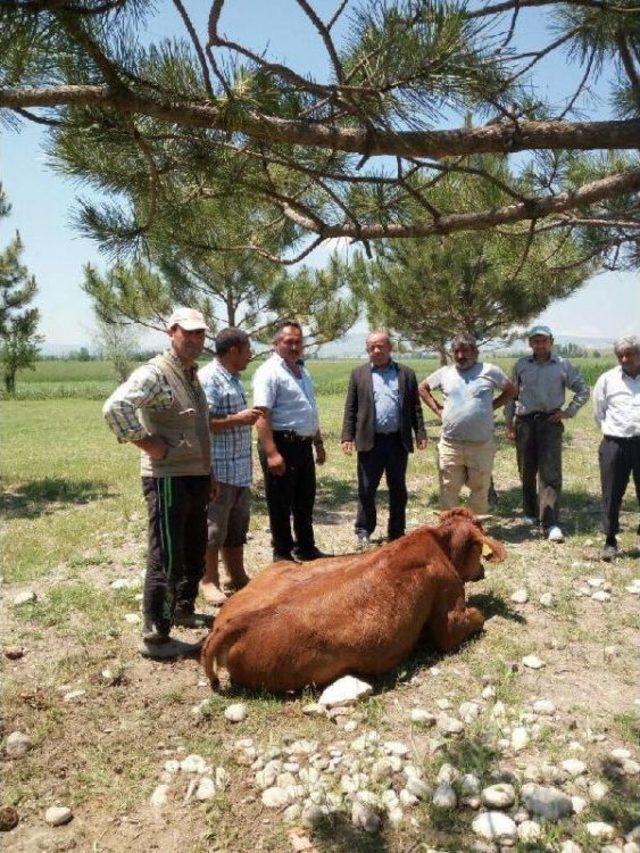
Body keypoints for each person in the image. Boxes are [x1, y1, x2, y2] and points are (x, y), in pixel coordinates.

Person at [103, 307, 217, 659]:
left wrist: (208, 472)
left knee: (195, 546)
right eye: (189, 333)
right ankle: (156, 636)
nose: (195, 340)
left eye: (200, 334)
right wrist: (147, 442)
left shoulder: (190, 373)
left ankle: (182, 608)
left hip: (194, 475)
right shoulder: (156, 372)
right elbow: (115, 407)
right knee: (166, 555)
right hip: (167, 478)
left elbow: (197, 427)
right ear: (172, 332)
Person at [340, 330, 427, 548]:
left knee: (398, 489)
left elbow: (415, 407)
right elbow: (351, 408)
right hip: (370, 442)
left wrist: (421, 432)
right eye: (372, 347)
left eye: (381, 346)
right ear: (367, 350)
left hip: (397, 442)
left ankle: (397, 533)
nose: (376, 351)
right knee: (367, 489)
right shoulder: (358, 374)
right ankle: (363, 531)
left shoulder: (406, 373)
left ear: (390, 348)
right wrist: (347, 436)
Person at [505, 325, 589, 543]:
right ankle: (530, 512)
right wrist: (509, 423)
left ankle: (550, 522)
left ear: (551, 341)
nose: (539, 344)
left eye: (543, 340)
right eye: (535, 341)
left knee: (550, 474)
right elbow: (510, 396)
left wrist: (568, 412)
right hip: (524, 423)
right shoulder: (521, 365)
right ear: (530, 343)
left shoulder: (562, 365)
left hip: (549, 423)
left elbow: (583, 389)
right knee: (526, 470)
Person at [252, 320, 327, 562]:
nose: (295, 346)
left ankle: (306, 546)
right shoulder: (269, 372)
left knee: (305, 499)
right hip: (281, 444)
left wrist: (317, 443)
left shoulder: (302, 371)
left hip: (303, 445)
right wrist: (272, 453)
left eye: (298, 342)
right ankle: (282, 553)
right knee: (280, 503)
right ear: (275, 344)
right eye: (289, 342)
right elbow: (262, 415)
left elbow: (310, 410)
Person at [198, 328, 262, 605]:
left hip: (239, 469)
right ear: (233, 350)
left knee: (236, 527)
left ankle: (236, 575)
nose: (251, 355)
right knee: (213, 529)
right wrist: (239, 419)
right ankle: (208, 580)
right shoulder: (209, 378)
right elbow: (203, 422)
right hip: (219, 469)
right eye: (247, 349)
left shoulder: (233, 378)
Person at [419, 333, 516, 514]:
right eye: (456, 351)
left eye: (465, 351)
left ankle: (475, 533)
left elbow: (510, 390)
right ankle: (450, 532)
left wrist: (490, 406)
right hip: (450, 444)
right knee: (448, 491)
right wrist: (438, 410)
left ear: (475, 351)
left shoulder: (490, 370)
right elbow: (422, 388)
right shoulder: (445, 373)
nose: (461, 356)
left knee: (480, 491)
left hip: (480, 445)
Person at [593, 334, 640, 561]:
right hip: (615, 444)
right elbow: (599, 413)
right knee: (611, 494)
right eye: (619, 355)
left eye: (628, 354)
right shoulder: (607, 379)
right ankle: (610, 540)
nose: (623, 359)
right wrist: (613, 433)